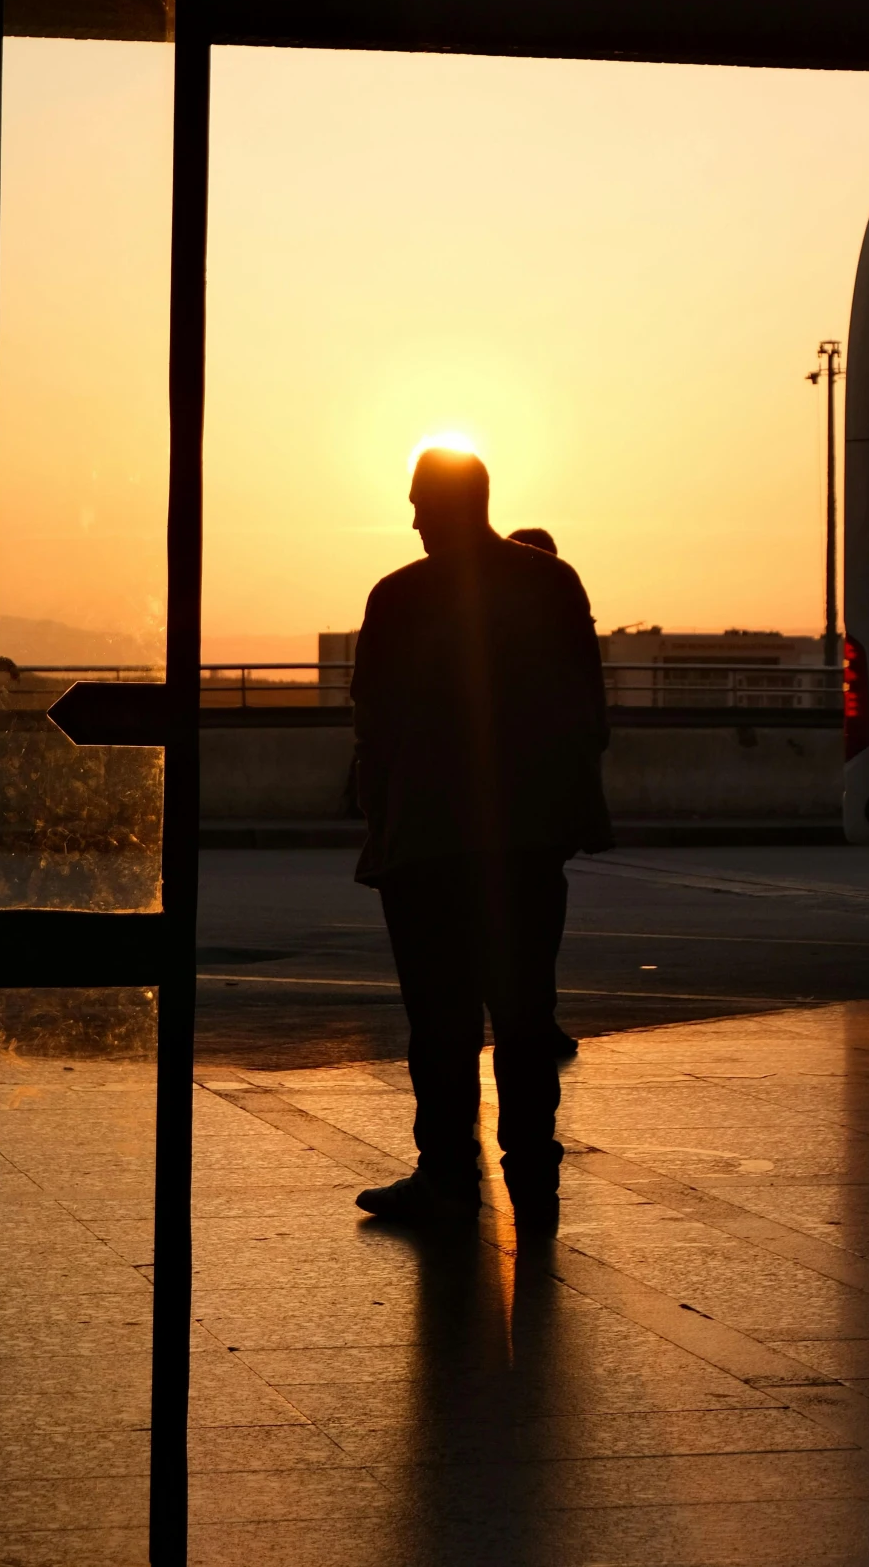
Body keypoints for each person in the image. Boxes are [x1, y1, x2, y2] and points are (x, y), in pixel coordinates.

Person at [350, 450, 612, 1231]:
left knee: (441, 1024)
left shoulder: (398, 596)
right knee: (527, 1015)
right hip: (527, 842)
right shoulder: (550, 583)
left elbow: (376, 725)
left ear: (443, 504)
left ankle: (446, 1177)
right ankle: (534, 1178)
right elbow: (585, 711)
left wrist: (380, 822)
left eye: (419, 504)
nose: (413, 520)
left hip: (427, 843)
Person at [506, 527, 580, 1059]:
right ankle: (534, 1022)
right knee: (535, 934)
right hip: (534, 818)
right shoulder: (553, 630)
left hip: (515, 816)